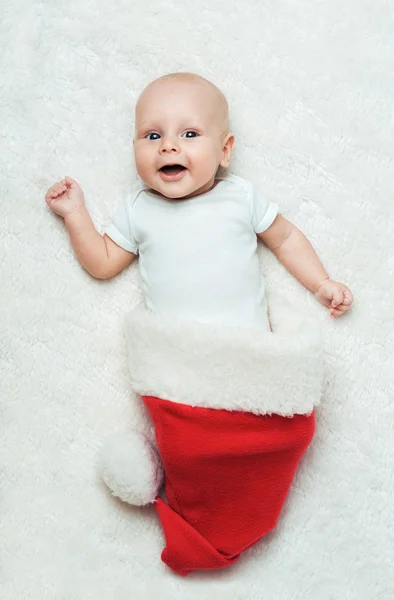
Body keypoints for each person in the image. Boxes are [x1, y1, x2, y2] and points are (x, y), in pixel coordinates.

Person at [45, 72, 353, 576]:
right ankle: (189, 508)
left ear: (225, 149)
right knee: (192, 452)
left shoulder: (240, 198)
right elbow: (102, 263)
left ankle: (231, 515)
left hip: (250, 374)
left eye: (190, 134)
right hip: (182, 379)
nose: (169, 144)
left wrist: (321, 283)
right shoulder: (139, 210)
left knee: (288, 436)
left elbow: (287, 239)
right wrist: (76, 214)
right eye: (152, 135)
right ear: (136, 149)